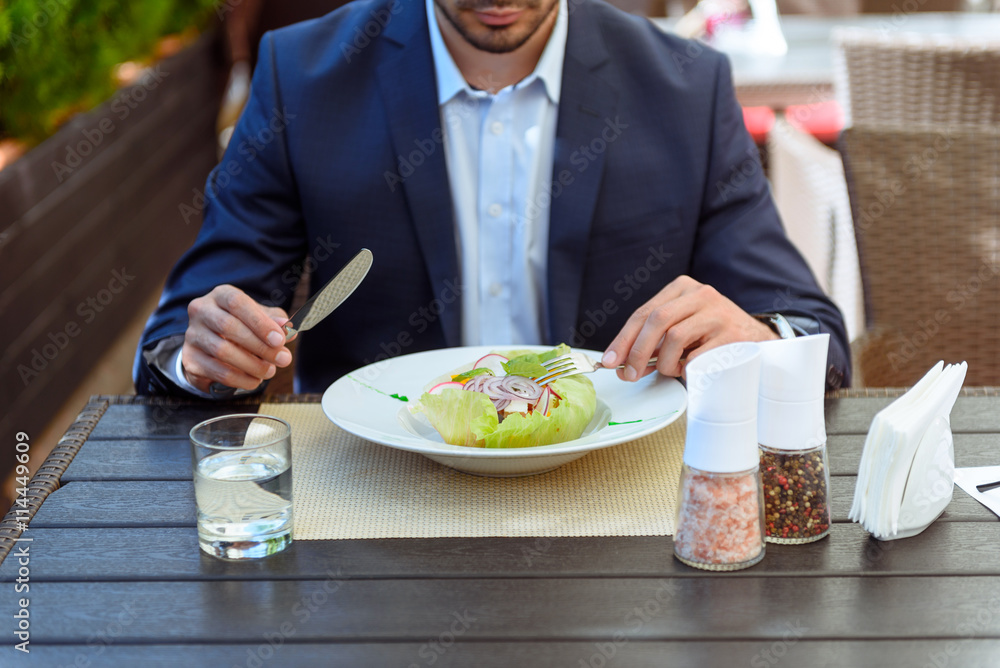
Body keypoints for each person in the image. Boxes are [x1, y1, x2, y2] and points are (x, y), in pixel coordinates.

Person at [134, 0, 850, 398]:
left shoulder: (686, 88)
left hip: (619, 498)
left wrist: (757, 339)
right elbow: (177, 338)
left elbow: (812, 332)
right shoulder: (303, 76)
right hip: (374, 502)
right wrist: (206, 357)